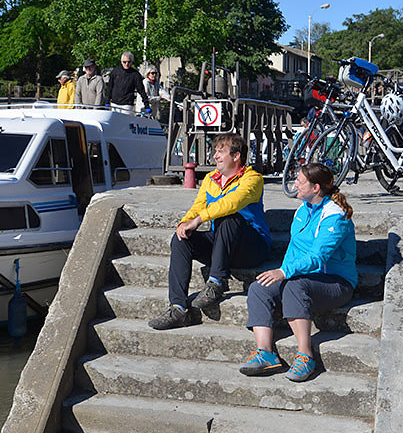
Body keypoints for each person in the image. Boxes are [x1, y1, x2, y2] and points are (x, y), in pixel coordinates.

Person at [239, 163, 357, 382]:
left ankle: (305, 355)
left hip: (337, 282)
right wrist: (281, 272)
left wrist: (285, 272)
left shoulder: (335, 215)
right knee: (259, 287)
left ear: (316, 188)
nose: (295, 184)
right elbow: (294, 250)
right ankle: (265, 353)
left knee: (294, 286)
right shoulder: (303, 209)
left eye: (300, 181)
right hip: (305, 277)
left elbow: (318, 257)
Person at [149, 133, 272, 330]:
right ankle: (178, 308)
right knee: (181, 239)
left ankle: (215, 283)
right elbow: (198, 206)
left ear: (236, 156)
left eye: (221, 152)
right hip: (221, 246)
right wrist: (185, 223)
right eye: (215, 151)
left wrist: (198, 220)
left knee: (229, 216)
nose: (215, 156)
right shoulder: (210, 179)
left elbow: (232, 202)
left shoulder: (253, 178)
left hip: (252, 247)